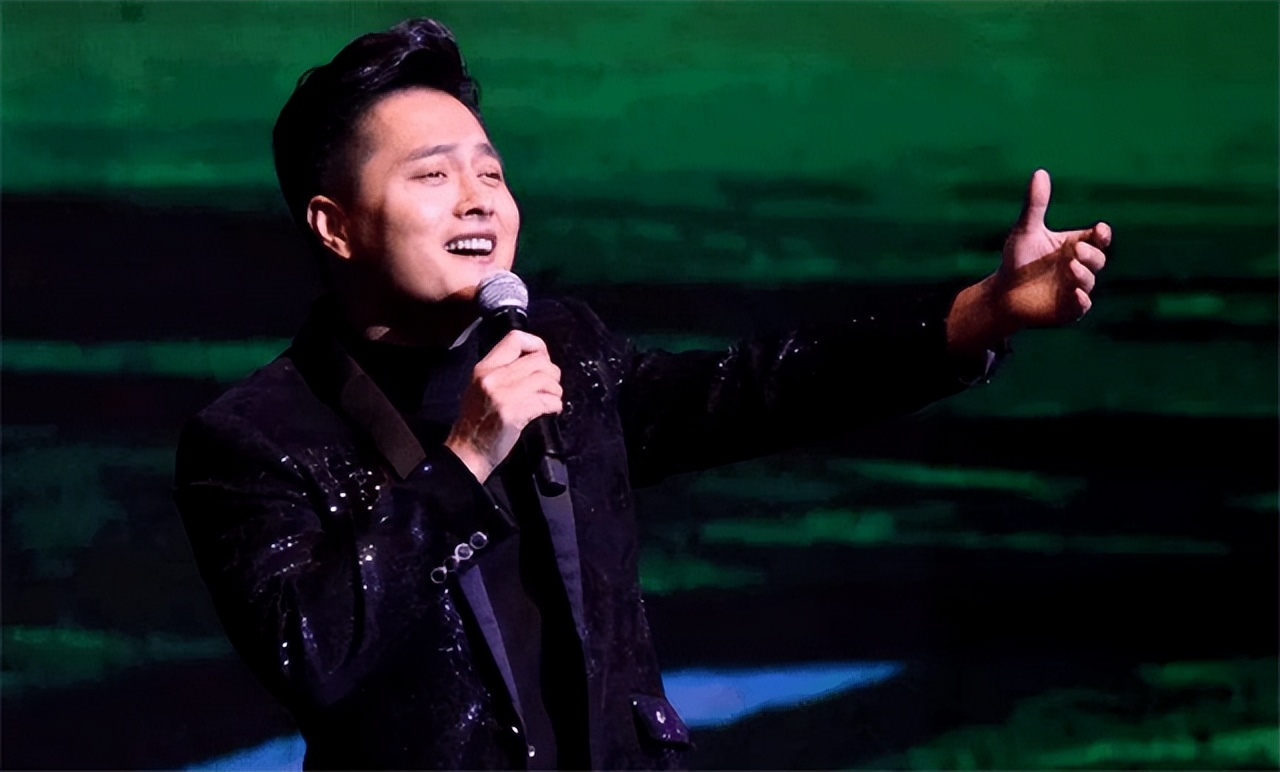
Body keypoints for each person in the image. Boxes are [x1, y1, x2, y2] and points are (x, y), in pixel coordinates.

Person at [174, 17, 1111, 771]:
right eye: (433, 176)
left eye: (490, 172)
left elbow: (753, 390)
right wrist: (463, 463)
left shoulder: (564, 353)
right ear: (334, 226)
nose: (479, 198)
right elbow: (311, 650)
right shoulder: (256, 439)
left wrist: (977, 316)